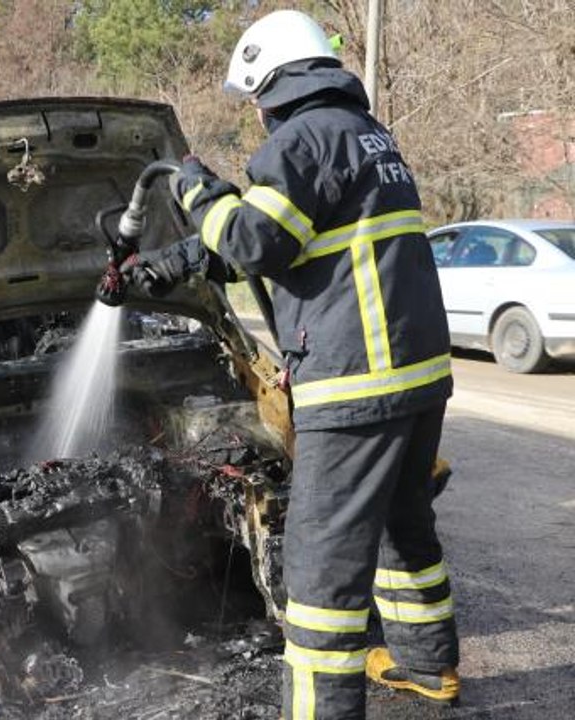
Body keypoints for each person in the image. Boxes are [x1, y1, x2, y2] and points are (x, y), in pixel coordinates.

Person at [124, 9, 459, 719]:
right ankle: (430, 667)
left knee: (321, 566)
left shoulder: (301, 140)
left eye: (254, 97)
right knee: (404, 525)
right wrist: (166, 264)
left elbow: (252, 242)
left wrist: (195, 189)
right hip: (415, 376)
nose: (255, 111)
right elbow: (280, 239)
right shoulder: (366, 135)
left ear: (273, 82)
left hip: (355, 383)